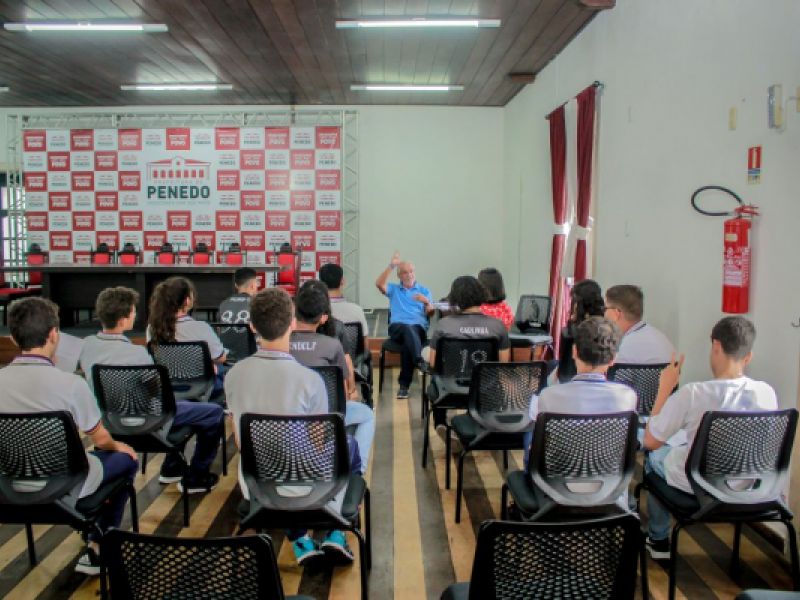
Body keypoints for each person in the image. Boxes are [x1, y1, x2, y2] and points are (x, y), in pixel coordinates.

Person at [0, 297, 138, 576]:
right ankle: (98, 543)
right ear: (54, 335)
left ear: (13, 337)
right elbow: (101, 440)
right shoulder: (71, 384)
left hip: (8, 484)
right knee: (126, 461)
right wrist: (120, 446)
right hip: (65, 481)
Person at [225, 288, 360, 566]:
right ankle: (335, 530)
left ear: (252, 326)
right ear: (292, 323)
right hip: (307, 483)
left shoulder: (233, 375)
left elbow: (239, 440)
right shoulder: (310, 380)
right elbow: (319, 442)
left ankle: (299, 538)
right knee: (350, 446)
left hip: (256, 482)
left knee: (280, 459)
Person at [642, 316, 777, 560]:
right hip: (745, 484)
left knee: (654, 454)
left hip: (698, 483)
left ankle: (658, 540)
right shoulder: (766, 393)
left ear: (716, 346)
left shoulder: (694, 394)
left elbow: (651, 440)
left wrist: (664, 388)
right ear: (748, 356)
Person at [80, 286, 224, 495]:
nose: (135, 314)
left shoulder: (85, 346)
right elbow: (156, 395)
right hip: (147, 418)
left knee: (185, 405)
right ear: (123, 320)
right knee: (213, 412)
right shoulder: (136, 354)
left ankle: (172, 467)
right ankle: (196, 477)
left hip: (109, 421)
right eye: (133, 311)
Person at [525, 317, 637, 492]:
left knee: (530, 435)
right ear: (613, 359)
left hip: (555, 486)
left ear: (574, 351)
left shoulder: (549, 395)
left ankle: (530, 487)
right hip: (608, 488)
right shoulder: (628, 397)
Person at [289, 281, 375, 473]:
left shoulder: (282, 343)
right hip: (327, 417)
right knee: (367, 415)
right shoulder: (332, 345)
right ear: (323, 317)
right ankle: (356, 471)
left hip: (287, 418)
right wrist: (351, 392)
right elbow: (341, 393)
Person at [425, 275, 511, 434]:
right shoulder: (498, 327)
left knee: (436, 376)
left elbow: (433, 363)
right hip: (485, 392)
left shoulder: (444, 325)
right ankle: (477, 424)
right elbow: (502, 366)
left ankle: (440, 422)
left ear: (455, 298)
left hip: (450, 391)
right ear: (482, 294)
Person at [147, 276, 227, 393]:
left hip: (167, 387)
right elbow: (221, 357)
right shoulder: (201, 327)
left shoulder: (152, 328)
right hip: (202, 387)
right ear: (187, 301)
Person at [375, 251, 434, 399]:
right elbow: (379, 284)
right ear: (399, 275)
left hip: (418, 330)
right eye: (405, 272)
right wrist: (391, 266)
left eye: (411, 271)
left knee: (409, 340)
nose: (409, 275)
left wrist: (427, 302)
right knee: (407, 330)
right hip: (397, 329)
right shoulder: (394, 289)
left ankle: (404, 386)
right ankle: (418, 361)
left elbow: (431, 313)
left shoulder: (424, 291)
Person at [604, 284, 674, 364]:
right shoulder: (663, 339)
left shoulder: (622, 349)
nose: (603, 313)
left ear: (615, 313)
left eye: (605, 308)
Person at [557, 279, 605, 383]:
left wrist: (571, 322)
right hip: (601, 380)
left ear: (578, 304)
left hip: (570, 381)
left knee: (551, 366)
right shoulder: (608, 329)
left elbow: (564, 371)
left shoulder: (570, 332)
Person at [320, 263, 370, 343]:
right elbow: (365, 345)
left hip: (324, 351)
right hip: (349, 351)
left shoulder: (315, 311)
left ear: (320, 283)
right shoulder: (357, 310)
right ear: (342, 281)